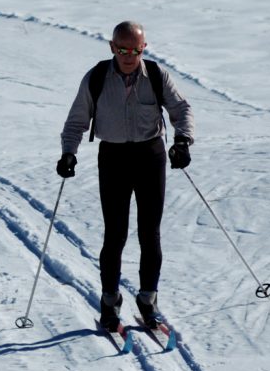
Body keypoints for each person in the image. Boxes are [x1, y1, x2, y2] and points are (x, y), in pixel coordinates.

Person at [57, 21, 194, 330]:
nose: (129, 56)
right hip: (114, 158)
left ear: (143, 48)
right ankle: (109, 302)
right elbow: (76, 120)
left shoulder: (156, 75)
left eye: (135, 50)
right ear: (112, 47)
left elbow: (181, 109)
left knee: (150, 232)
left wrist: (182, 141)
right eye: (122, 50)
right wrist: (68, 152)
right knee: (115, 234)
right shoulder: (96, 78)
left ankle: (148, 300)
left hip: (150, 156)